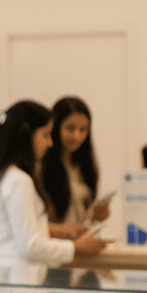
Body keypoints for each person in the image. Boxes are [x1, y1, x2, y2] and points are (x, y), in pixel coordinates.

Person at [0, 100, 107, 268]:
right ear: (27, 135)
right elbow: (30, 246)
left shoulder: (3, 175)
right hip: (21, 276)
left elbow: (22, 232)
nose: (50, 142)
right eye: (45, 135)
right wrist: (74, 247)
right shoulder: (19, 181)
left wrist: (67, 232)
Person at [41, 96, 111, 232]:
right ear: (55, 127)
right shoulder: (41, 167)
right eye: (70, 128)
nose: (77, 136)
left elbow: (83, 219)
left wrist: (96, 216)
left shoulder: (83, 166)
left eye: (83, 129)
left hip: (79, 245)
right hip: (54, 248)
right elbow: (33, 228)